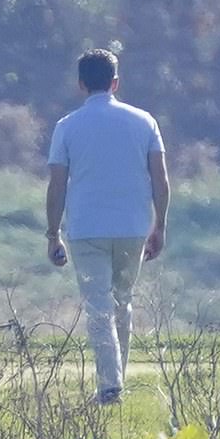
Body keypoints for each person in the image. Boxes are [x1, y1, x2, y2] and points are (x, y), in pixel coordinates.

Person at [45, 48, 170, 403]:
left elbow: (57, 185)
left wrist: (53, 233)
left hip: (86, 229)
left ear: (81, 84)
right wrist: (160, 224)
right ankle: (115, 381)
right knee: (122, 302)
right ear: (115, 82)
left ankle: (110, 385)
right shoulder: (144, 122)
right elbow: (160, 179)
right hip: (132, 226)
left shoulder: (67, 127)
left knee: (99, 306)